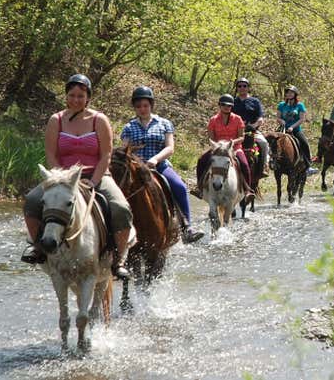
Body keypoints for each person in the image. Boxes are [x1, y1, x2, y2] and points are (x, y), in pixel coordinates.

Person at [21, 74, 133, 279]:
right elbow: (51, 154)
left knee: (121, 207)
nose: (75, 99)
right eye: (72, 95)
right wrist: (62, 179)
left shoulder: (99, 120)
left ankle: (119, 259)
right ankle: (38, 247)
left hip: (95, 174)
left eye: (80, 96)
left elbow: (107, 154)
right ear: (66, 96)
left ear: (88, 97)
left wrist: (94, 180)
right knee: (32, 201)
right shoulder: (56, 120)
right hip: (62, 177)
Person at [121, 86, 204, 244]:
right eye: (138, 106)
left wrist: (155, 159)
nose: (142, 109)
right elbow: (125, 150)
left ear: (151, 105)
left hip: (159, 166)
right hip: (136, 168)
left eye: (145, 105)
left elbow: (170, 147)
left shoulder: (164, 123)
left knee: (179, 186)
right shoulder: (129, 127)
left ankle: (187, 227)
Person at [199, 94, 255, 200]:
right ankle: (200, 187)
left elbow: (241, 137)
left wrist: (232, 142)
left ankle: (248, 190)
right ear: (219, 105)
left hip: (234, 147)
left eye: (229, 105)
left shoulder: (238, 119)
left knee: (244, 164)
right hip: (218, 148)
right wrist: (218, 146)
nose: (226, 107)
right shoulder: (213, 120)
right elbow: (211, 138)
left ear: (231, 107)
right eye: (224, 105)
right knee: (201, 160)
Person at [232, 77, 269, 177]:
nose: (242, 88)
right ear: (237, 88)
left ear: (248, 88)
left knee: (264, 143)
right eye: (240, 86)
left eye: (245, 86)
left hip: (252, 131)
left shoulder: (255, 101)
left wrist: (252, 126)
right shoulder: (233, 102)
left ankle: (264, 166)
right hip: (235, 132)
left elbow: (260, 118)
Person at [277, 85, 318, 175]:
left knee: (305, 143)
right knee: (272, 141)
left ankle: (308, 166)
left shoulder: (300, 105)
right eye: (287, 92)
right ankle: (272, 163)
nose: (289, 94)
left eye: (291, 92)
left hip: (295, 129)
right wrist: (281, 121)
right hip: (283, 129)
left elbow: (302, 119)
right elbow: (278, 117)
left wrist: (292, 127)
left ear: (295, 94)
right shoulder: (281, 105)